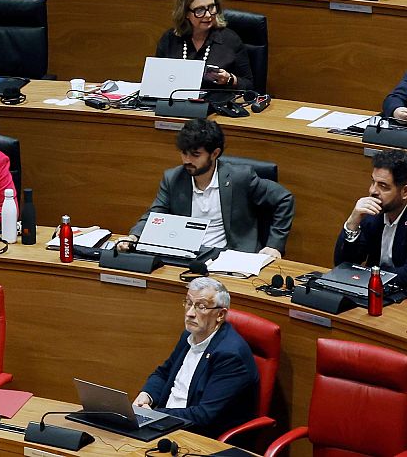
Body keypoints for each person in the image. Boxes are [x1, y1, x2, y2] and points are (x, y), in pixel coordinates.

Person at [118, 118, 294, 259]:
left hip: (231, 257)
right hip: (187, 255)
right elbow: (155, 215)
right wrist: (134, 236)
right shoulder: (173, 178)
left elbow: (284, 198)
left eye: (195, 155)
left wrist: (274, 245)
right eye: (183, 153)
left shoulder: (240, 177)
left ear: (215, 153)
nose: (187, 160)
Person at [133, 277, 259, 438]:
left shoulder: (231, 356)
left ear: (220, 314)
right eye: (188, 303)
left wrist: (155, 415)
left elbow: (204, 415)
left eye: (201, 307)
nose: (190, 313)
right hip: (164, 422)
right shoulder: (190, 335)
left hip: (196, 435)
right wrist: (146, 395)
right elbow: (163, 373)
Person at [334, 149, 407, 292]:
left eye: (383, 186)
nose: (373, 191)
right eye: (373, 182)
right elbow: (343, 263)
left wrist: (370, 273)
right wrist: (352, 222)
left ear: (405, 191)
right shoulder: (375, 210)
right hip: (377, 290)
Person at [153, 0, 251, 92]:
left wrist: (229, 79)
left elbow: (249, 85)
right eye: (200, 10)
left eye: (212, 7)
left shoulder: (231, 40)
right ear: (186, 13)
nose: (208, 15)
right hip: (175, 103)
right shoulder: (169, 39)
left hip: (215, 104)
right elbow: (157, 80)